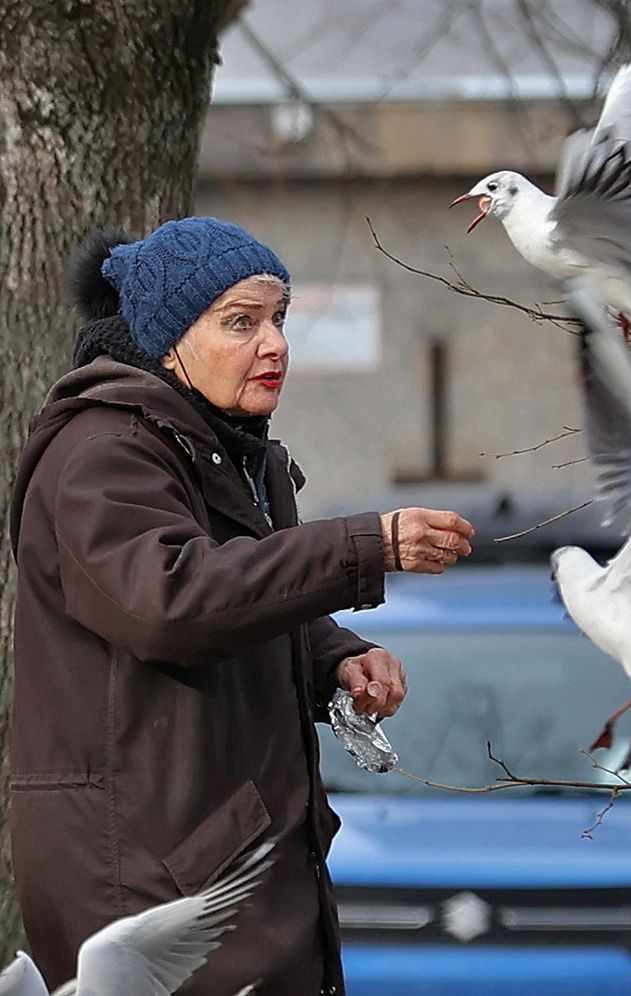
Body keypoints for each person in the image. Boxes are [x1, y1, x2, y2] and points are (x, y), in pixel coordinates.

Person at [9, 217, 474, 995]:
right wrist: (364, 547)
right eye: (240, 322)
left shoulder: (224, 446)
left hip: (227, 872)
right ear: (166, 340)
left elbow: (243, 593)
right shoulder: (101, 450)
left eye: (279, 319)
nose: (275, 344)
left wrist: (335, 659)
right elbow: (172, 602)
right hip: (149, 886)